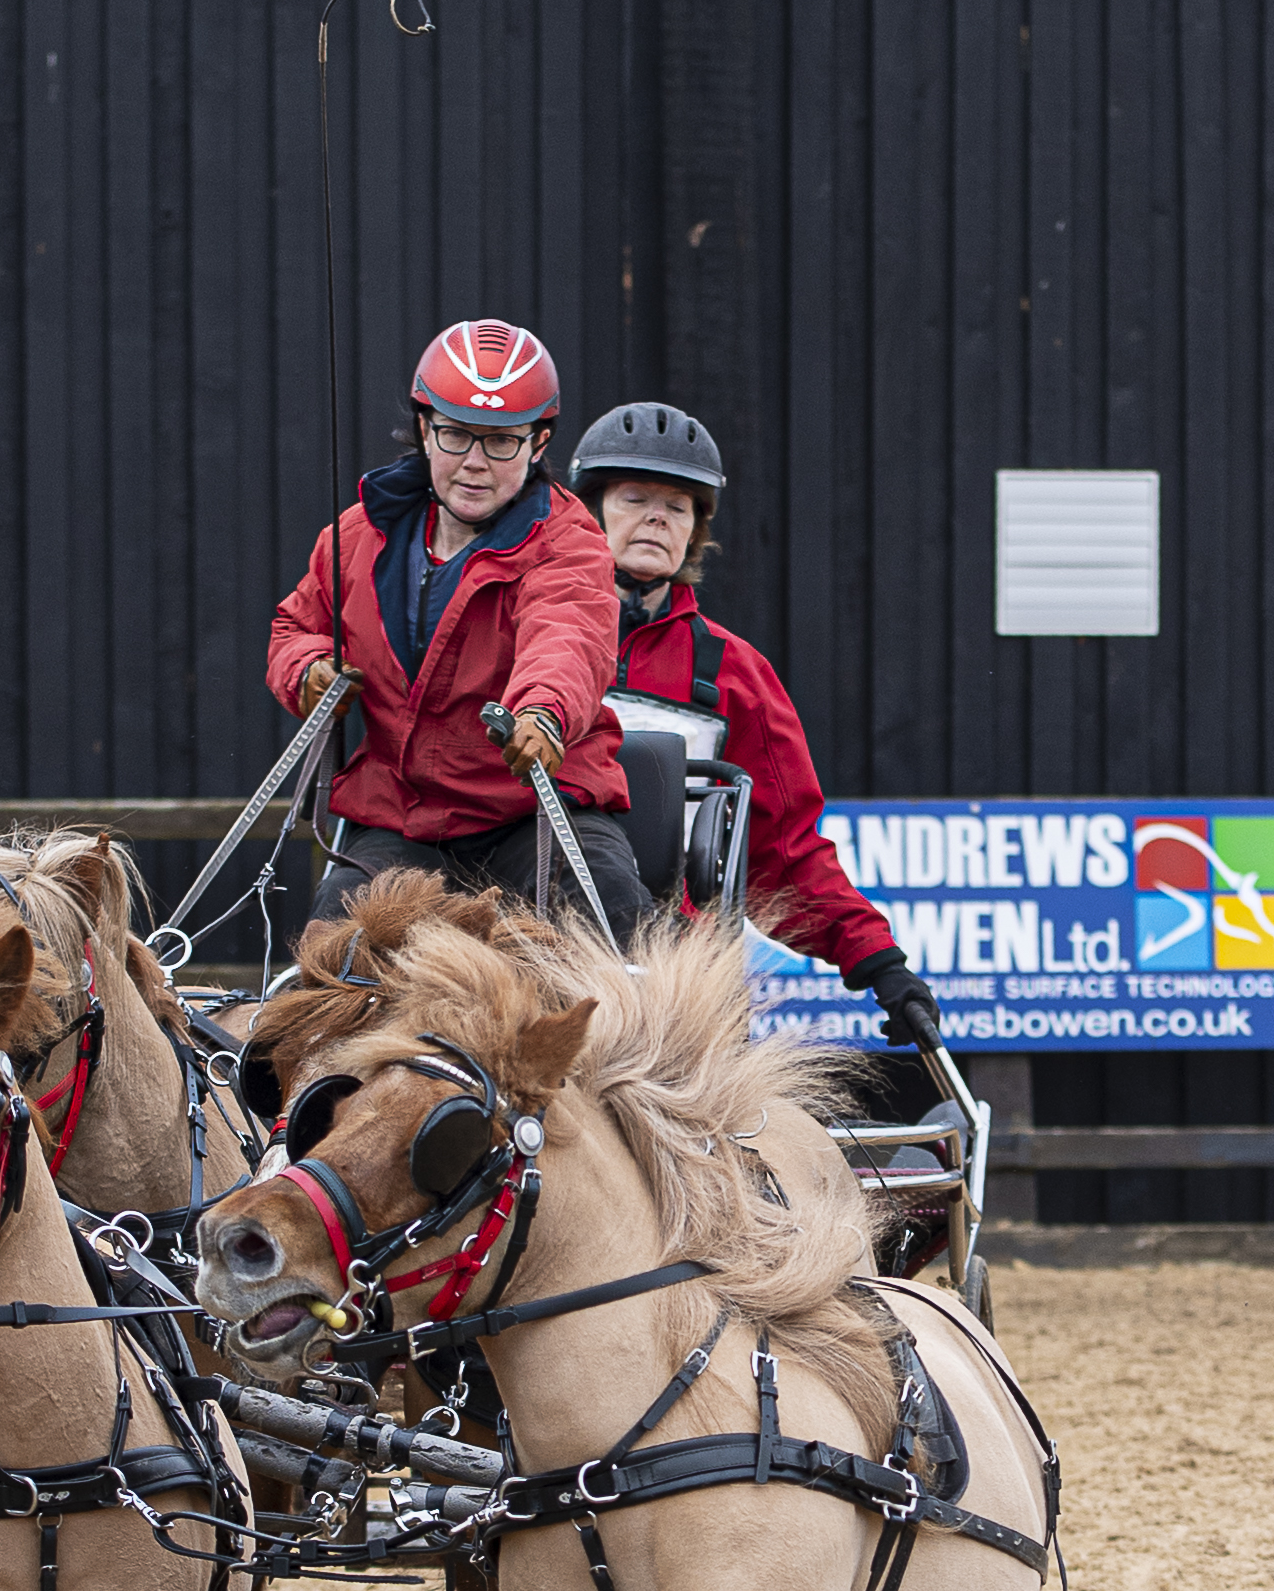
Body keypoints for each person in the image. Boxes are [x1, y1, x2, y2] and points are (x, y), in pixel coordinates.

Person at [564, 400, 940, 1045]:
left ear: (694, 532)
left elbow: (783, 853)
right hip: (541, 941)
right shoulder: (528, 640)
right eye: (634, 497)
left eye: (677, 506)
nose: (657, 516)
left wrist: (877, 961)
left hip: (675, 972)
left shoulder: (735, 673)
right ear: (588, 513)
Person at [268, 318, 655, 944]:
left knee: (617, 933)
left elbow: (570, 632)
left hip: (536, 815)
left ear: (538, 443)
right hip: (404, 821)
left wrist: (545, 713)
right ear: (425, 429)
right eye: (455, 435)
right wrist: (308, 668)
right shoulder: (353, 539)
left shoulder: (569, 542)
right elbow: (296, 625)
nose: (474, 463)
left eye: (501, 442)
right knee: (327, 966)